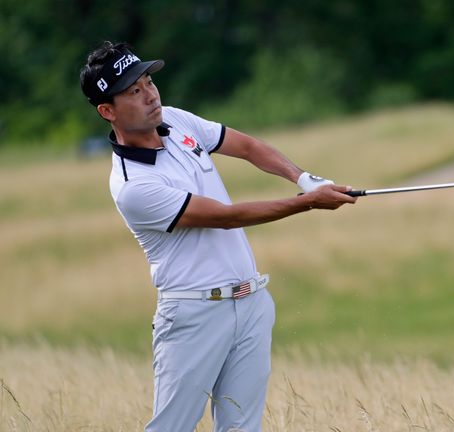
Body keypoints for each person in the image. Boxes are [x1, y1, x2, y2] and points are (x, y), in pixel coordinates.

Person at [79, 41, 357, 432]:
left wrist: (303, 177)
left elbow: (246, 146)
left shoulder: (175, 120)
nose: (150, 95)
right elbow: (226, 217)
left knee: (243, 428)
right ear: (107, 111)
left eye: (148, 82)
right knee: (171, 427)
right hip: (193, 315)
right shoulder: (133, 185)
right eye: (133, 91)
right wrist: (307, 203)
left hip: (251, 301)